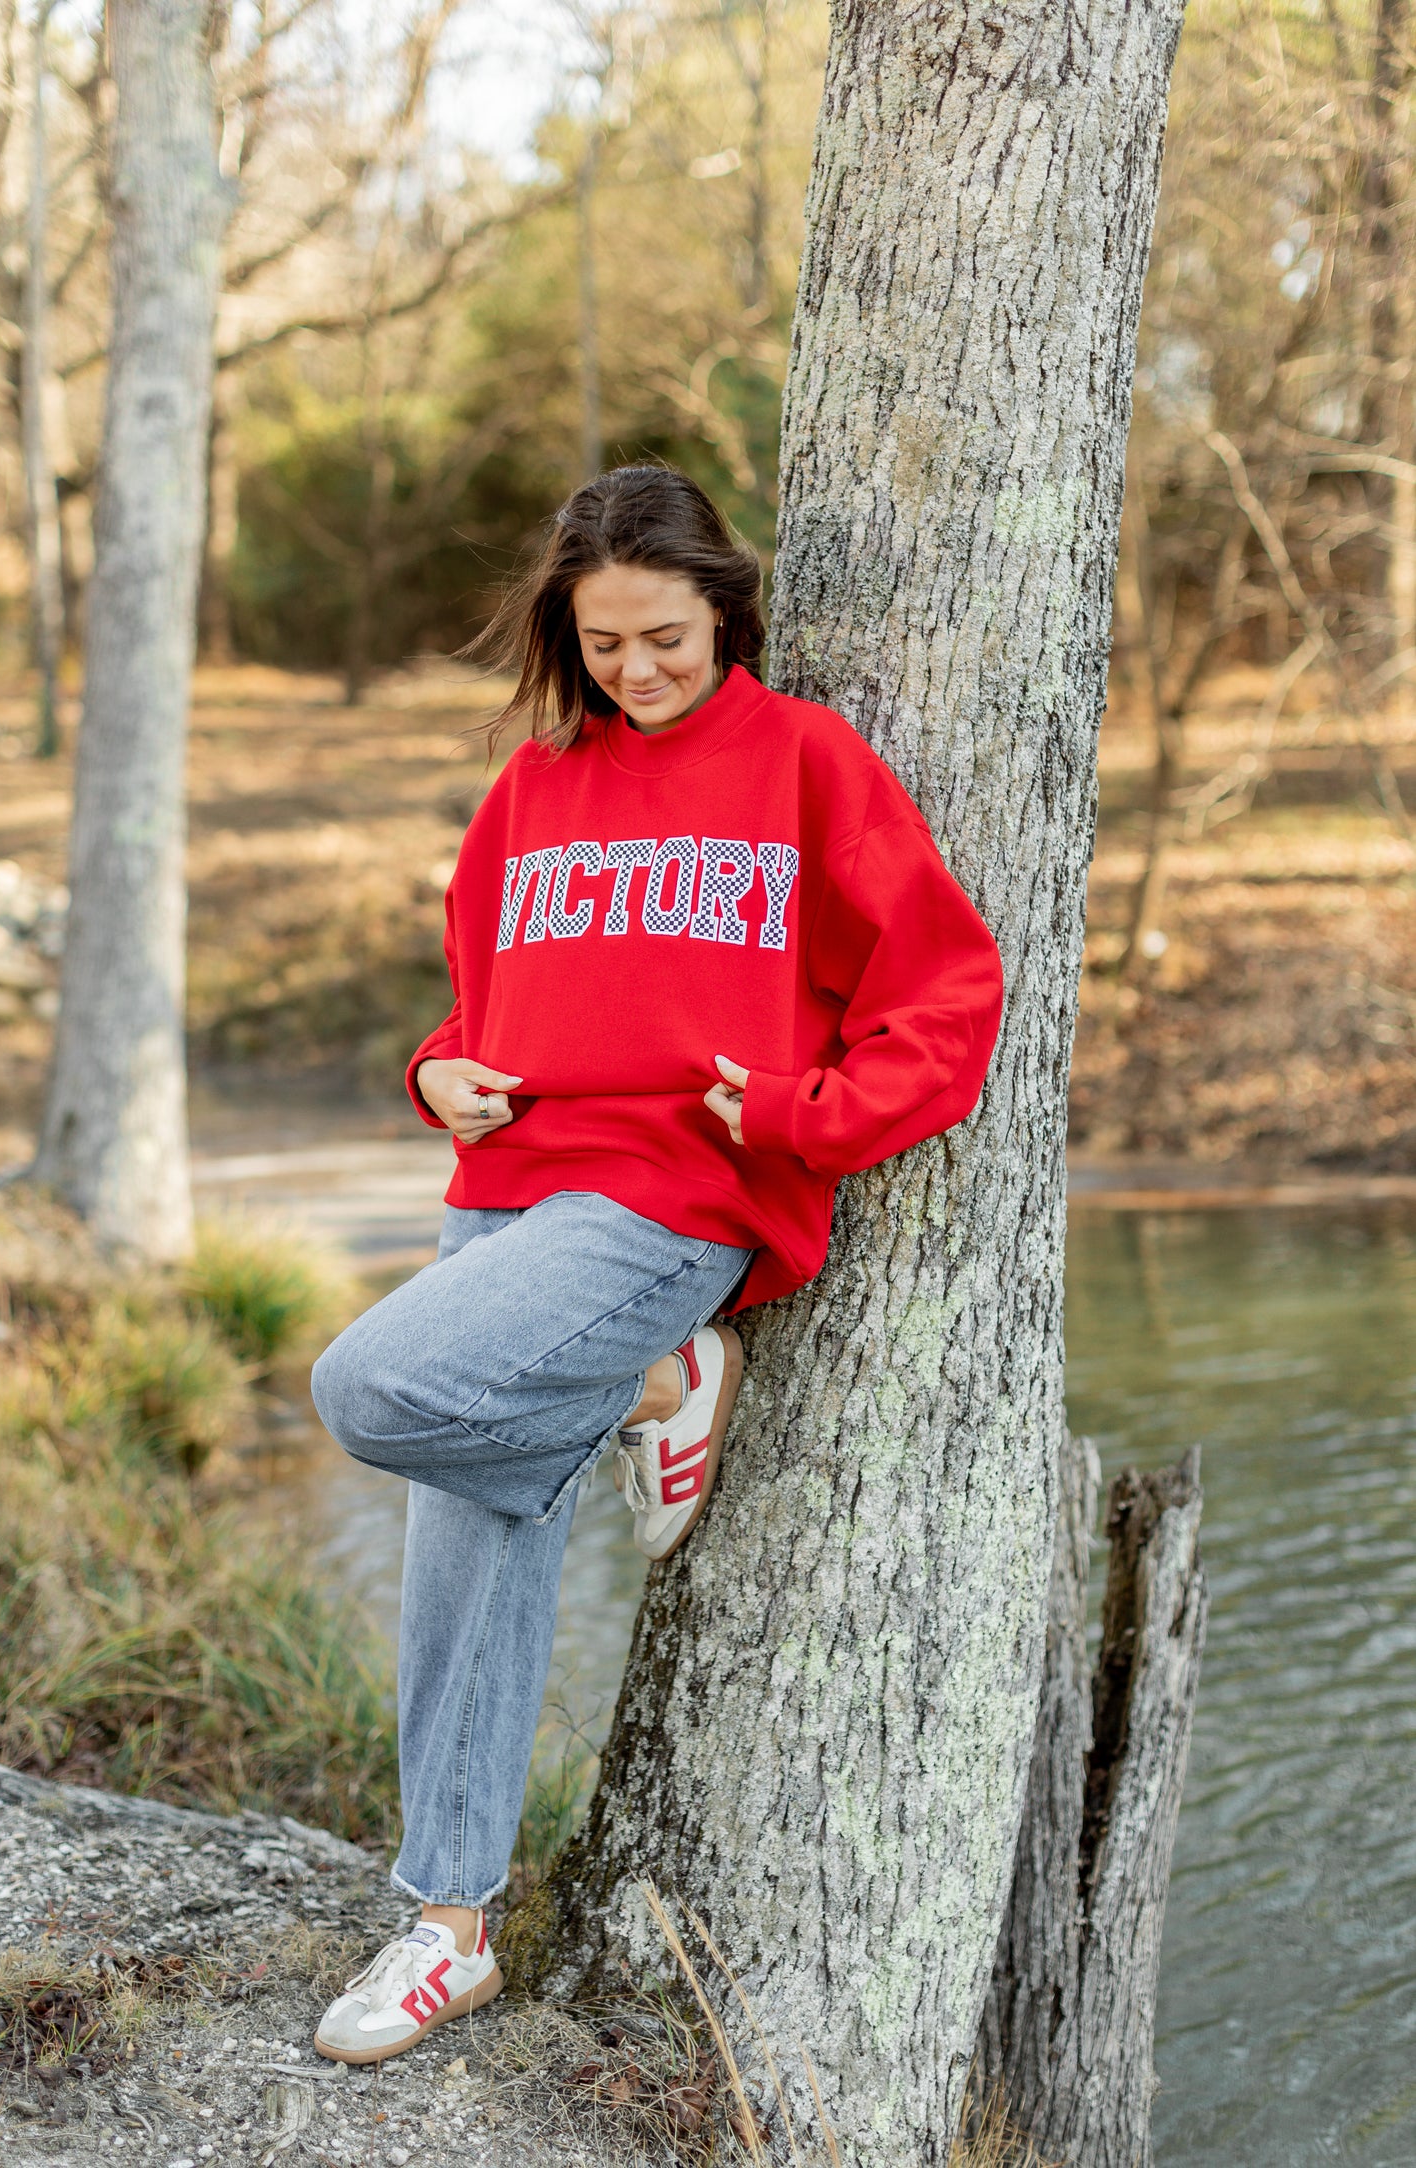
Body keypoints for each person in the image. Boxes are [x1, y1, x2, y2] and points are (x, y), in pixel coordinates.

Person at [307, 464, 1003, 2063]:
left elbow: (945, 993)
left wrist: (804, 1116)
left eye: (665, 637)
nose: (635, 668)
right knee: (463, 1580)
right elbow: (483, 1006)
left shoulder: (806, 765)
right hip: (502, 1195)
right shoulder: (533, 793)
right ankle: (447, 1927)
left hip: (667, 1200)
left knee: (369, 1385)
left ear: (725, 613)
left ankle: (657, 1364)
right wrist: (436, 1073)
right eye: (603, 640)